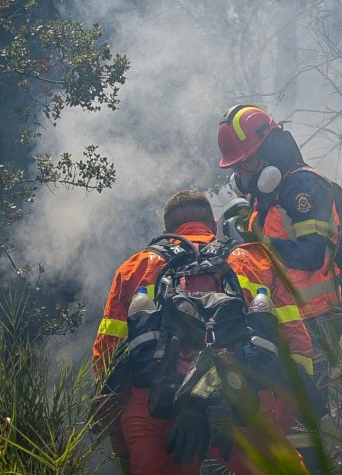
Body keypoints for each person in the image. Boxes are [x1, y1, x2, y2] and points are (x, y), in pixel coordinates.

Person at [92, 189, 313, 475]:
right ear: (215, 225)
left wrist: (126, 448)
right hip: (240, 400)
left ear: (167, 232)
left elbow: (107, 361)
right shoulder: (253, 261)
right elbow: (296, 345)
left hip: (157, 406)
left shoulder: (136, 268)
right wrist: (272, 418)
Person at [217, 104, 342, 474]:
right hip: (288, 322)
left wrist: (256, 239)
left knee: (306, 417)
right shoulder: (270, 193)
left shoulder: (303, 187)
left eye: (248, 164)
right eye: (239, 167)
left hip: (317, 320)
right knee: (283, 414)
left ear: (271, 148)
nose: (243, 175)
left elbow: (310, 256)